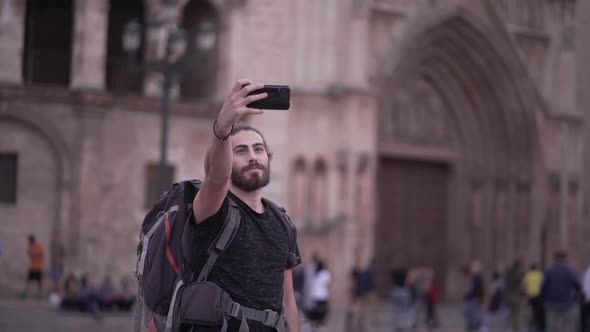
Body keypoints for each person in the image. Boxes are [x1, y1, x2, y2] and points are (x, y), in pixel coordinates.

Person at [184, 79, 301, 332]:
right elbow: (216, 178)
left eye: (258, 149)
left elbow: (288, 299)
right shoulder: (215, 208)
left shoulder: (283, 223)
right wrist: (223, 128)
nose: (252, 156)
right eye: (241, 151)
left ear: (267, 158)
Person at [541, 251, 580, 332]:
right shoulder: (570, 271)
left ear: (555, 259)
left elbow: (543, 286)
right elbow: (577, 284)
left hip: (551, 302)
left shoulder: (549, 271)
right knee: (568, 325)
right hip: (567, 302)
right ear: (565, 259)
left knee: (551, 326)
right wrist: (575, 297)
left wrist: (544, 298)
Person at [306, 257, 332, 330]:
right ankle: (320, 323)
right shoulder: (325, 273)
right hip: (323, 295)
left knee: (315, 310)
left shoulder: (314, 273)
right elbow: (328, 283)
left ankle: (314, 323)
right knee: (322, 311)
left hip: (314, 295)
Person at [463, 261, 485, 332]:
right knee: (466, 311)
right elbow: (468, 287)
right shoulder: (471, 277)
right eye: (473, 267)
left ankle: (477, 326)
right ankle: (472, 325)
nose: (473, 269)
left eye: (475, 267)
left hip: (475, 298)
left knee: (475, 313)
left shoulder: (479, 278)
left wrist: (479, 297)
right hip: (468, 297)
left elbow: (481, 289)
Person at [523, 263, 545, 332]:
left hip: (531, 296)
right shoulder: (540, 274)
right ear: (536, 268)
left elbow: (523, 285)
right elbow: (544, 283)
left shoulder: (528, 275)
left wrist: (526, 292)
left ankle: (533, 323)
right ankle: (539, 325)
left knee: (533, 310)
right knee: (540, 311)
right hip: (539, 296)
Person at [22, 234, 44, 299]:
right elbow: (29, 254)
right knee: (28, 280)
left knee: (39, 282)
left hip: (39, 267)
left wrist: (35, 254)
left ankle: (39, 295)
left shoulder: (39, 246)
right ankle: (25, 293)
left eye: (30, 240)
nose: (29, 242)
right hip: (32, 267)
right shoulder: (30, 247)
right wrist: (33, 254)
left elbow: (41, 254)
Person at [504, 259, 524, 332]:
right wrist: (524, 293)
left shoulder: (509, 273)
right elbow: (521, 285)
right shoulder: (519, 274)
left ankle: (509, 328)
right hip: (515, 296)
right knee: (516, 313)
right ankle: (515, 329)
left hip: (507, 295)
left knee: (511, 312)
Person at [581, 264, 590, 332]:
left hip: (587, 299)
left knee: (584, 318)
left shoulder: (587, 272)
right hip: (587, 298)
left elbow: (584, 287)